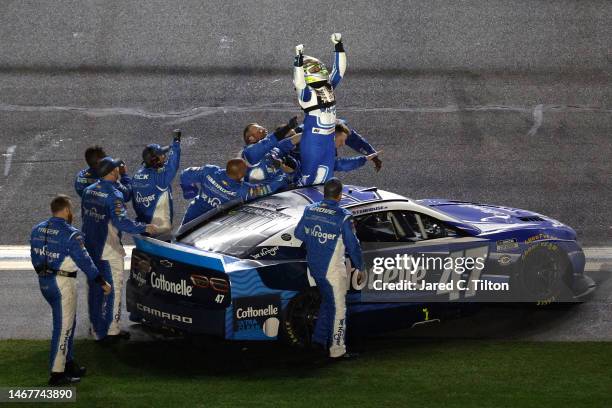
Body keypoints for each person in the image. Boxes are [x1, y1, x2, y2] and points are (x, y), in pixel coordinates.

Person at [30, 195, 111, 386]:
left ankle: (68, 362)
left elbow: (34, 256)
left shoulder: (36, 229)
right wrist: (101, 281)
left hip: (45, 282)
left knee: (68, 323)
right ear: (66, 210)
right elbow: (85, 261)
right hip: (62, 284)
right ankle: (57, 374)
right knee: (63, 328)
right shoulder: (71, 233)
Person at [81, 157, 157, 341]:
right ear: (111, 172)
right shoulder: (114, 195)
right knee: (113, 287)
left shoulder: (88, 191)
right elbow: (121, 222)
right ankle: (112, 329)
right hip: (108, 249)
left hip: (90, 247)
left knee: (96, 287)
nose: (118, 171)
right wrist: (144, 227)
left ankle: (96, 327)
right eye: (116, 169)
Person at [294, 178, 364, 358]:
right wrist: (360, 266)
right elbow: (353, 246)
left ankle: (318, 342)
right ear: (340, 195)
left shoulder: (309, 210)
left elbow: (299, 233)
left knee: (328, 303)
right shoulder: (343, 216)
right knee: (339, 309)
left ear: (324, 193)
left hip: (314, 268)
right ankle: (337, 351)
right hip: (332, 271)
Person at [293, 33, 346, 185]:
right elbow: (299, 83)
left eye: (318, 67)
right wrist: (297, 61)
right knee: (307, 180)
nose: (319, 69)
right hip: (313, 141)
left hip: (328, 140)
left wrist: (339, 46)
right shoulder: (306, 94)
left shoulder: (328, 87)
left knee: (326, 178)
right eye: (315, 68)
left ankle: (322, 204)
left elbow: (339, 71)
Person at [180, 158, 289, 224]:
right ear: (241, 174)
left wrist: (189, 190)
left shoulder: (209, 171)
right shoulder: (242, 191)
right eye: (245, 169)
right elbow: (267, 189)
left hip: (191, 217)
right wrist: (284, 175)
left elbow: (185, 174)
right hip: (212, 224)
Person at [132, 130, 181, 238]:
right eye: (162, 155)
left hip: (144, 227)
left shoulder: (136, 176)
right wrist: (176, 143)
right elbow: (173, 165)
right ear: (155, 160)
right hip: (159, 230)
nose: (164, 156)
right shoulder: (159, 179)